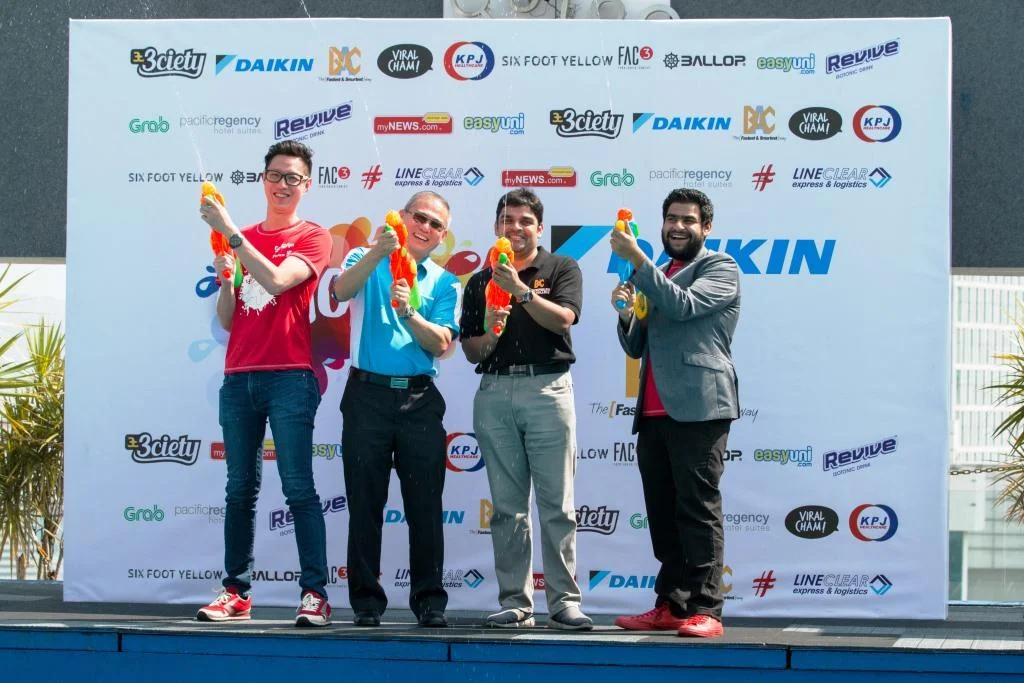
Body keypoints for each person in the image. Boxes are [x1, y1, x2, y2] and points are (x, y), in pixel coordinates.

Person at [195, 140, 333, 627]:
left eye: (292, 177)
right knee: (239, 490)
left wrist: (230, 233)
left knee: (298, 488)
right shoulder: (244, 236)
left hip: (290, 378)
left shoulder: (314, 237)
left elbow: (276, 280)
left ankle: (314, 594)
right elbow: (231, 319)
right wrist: (227, 279)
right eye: (275, 174)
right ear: (263, 179)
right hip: (238, 378)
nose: (282, 184)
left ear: (306, 185)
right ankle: (236, 592)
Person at [608, 188, 740, 638]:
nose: (678, 227)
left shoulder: (721, 267)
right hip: (653, 412)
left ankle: (708, 608)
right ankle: (672, 604)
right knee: (662, 513)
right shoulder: (660, 272)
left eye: (688, 220)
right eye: (671, 219)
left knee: (697, 509)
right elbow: (635, 345)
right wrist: (626, 313)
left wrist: (639, 264)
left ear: (706, 227)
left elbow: (683, 307)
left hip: (701, 407)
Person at [460, 188, 592, 631]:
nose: (514, 228)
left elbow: (564, 320)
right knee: (507, 507)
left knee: (558, 504)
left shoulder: (561, 268)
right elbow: (472, 351)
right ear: (496, 226)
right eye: (506, 220)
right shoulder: (479, 281)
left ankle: (564, 602)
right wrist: (491, 335)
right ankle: (516, 602)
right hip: (495, 391)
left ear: (538, 227)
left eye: (523, 221)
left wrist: (518, 291)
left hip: (548, 389)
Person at [330, 191, 461, 628]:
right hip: (367, 397)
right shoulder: (365, 258)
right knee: (364, 503)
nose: (425, 228)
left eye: (436, 224)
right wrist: (375, 253)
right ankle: (366, 601)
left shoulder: (445, 282)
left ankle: (429, 600)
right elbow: (339, 290)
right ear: (401, 218)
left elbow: (442, 344)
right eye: (419, 217)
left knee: (425, 506)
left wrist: (409, 314)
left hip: (420, 401)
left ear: (443, 236)